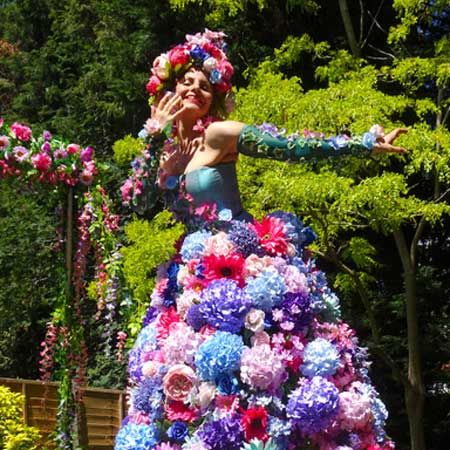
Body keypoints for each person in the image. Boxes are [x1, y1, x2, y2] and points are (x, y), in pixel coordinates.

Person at [115, 30, 406, 450]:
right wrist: (155, 136)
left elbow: (290, 145)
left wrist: (361, 144)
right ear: (169, 89)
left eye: (205, 85)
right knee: (192, 383)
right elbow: (135, 201)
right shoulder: (166, 153)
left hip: (239, 265)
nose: (195, 88)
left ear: (214, 98)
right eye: (187, 81)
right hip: (193, 275)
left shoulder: (218, 135)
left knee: (264, 368)